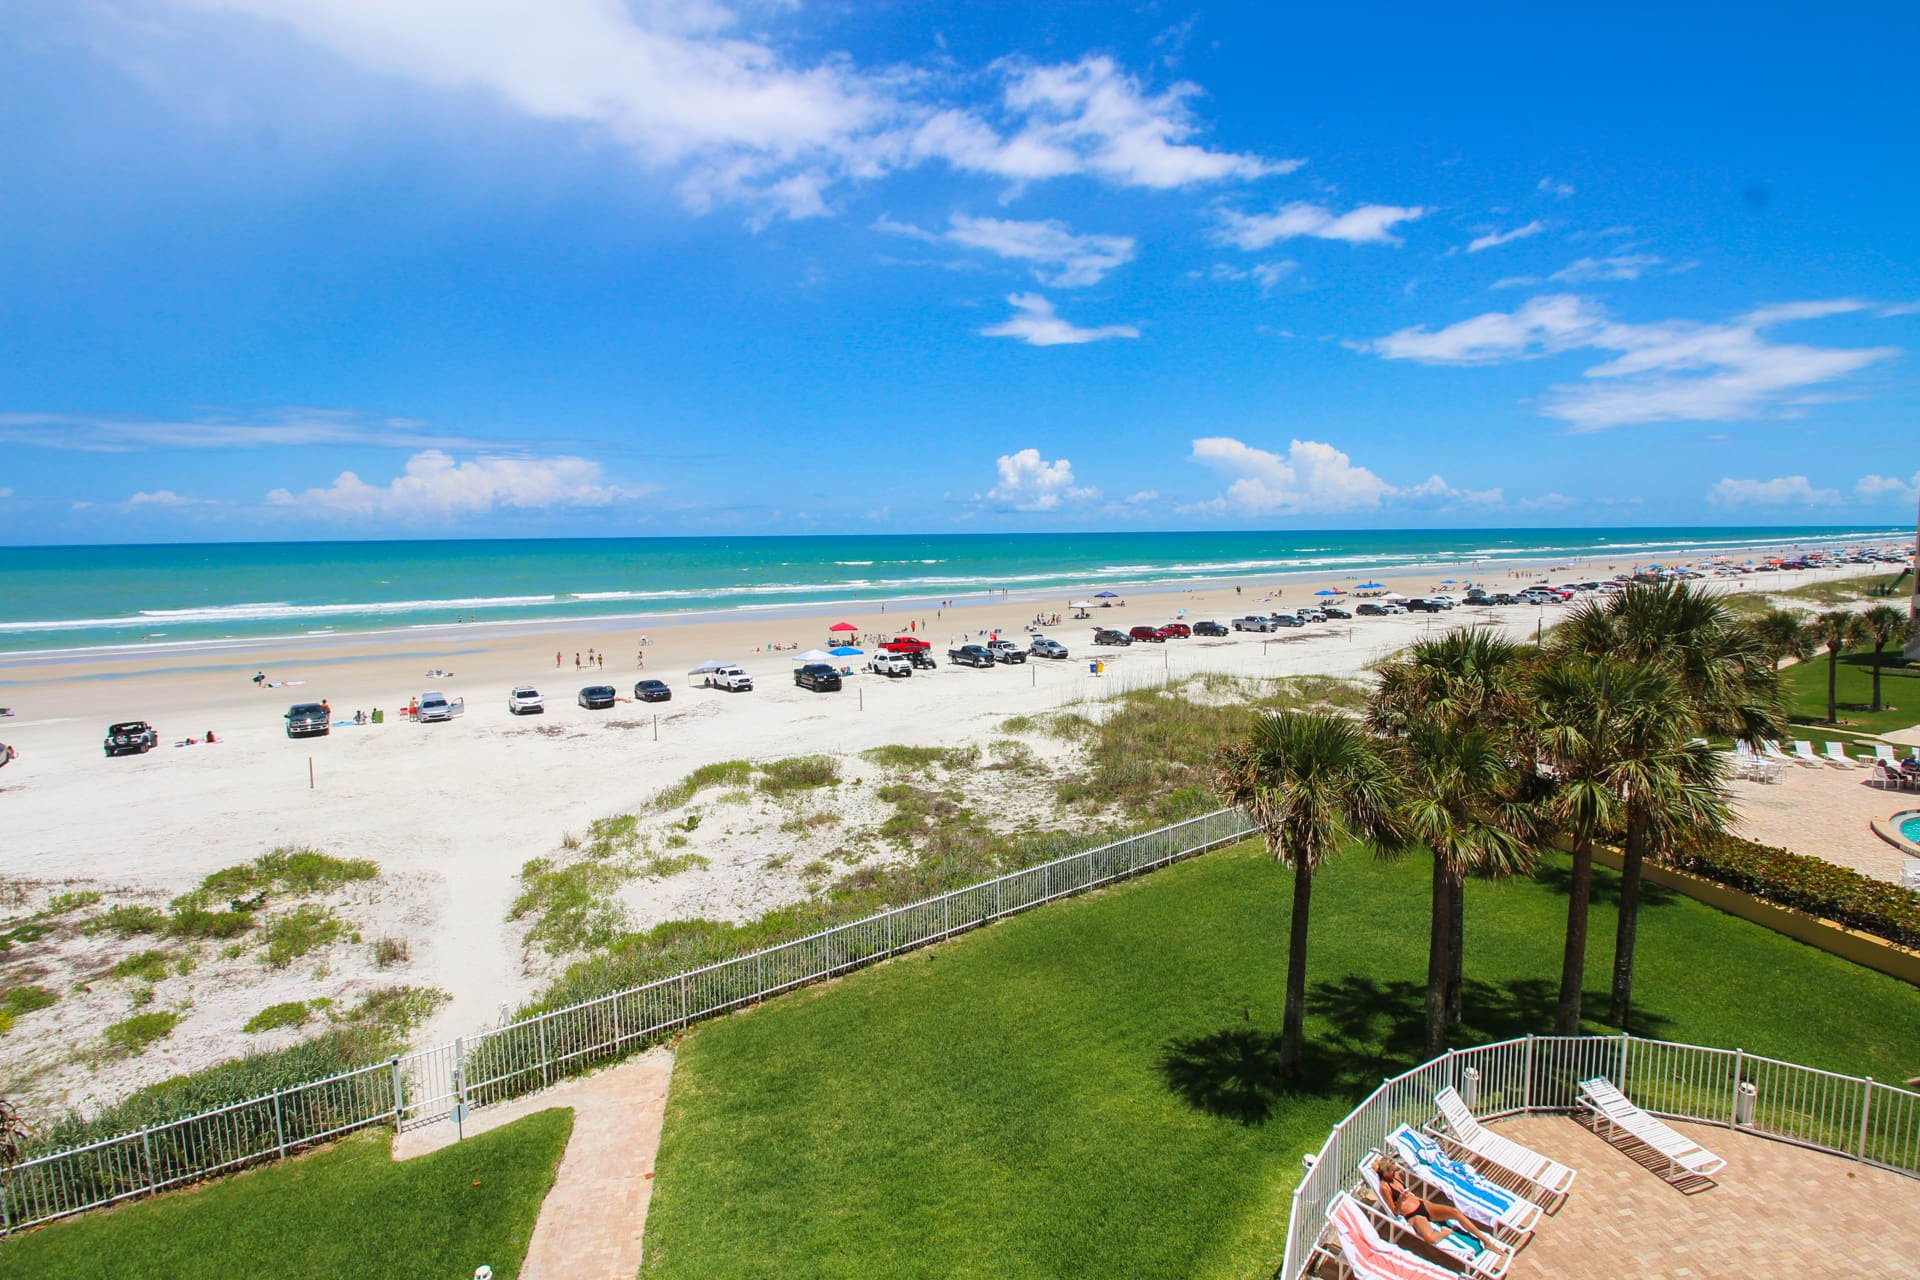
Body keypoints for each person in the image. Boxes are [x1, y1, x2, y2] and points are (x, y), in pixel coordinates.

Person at [1371, 1158, 1500, 1260]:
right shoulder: (1384, 1187)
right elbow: (1394, 1211)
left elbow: (1408, 1193)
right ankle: (1446, 1231)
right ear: (1384, 1171)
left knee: (1455, 1212)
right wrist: (1401, 1199)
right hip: (1414, 1215)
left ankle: (1486, 1241)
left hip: (1424, 1205)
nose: (1394, 1173)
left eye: (1394, 1170)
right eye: (1391, 1171)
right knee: (1430, 1238)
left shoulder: (1397, 1177)